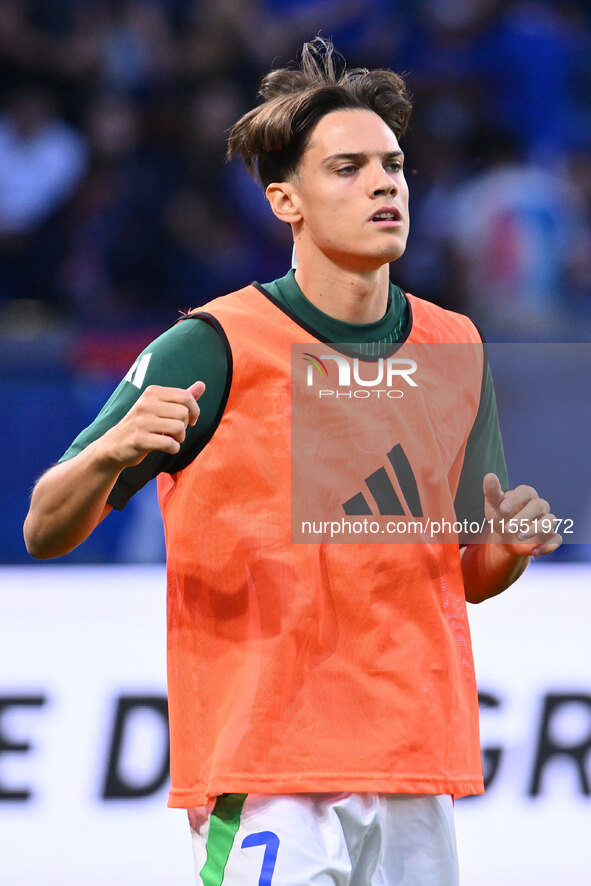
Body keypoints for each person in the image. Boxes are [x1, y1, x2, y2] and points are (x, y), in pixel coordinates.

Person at [24, 38, 561, 886]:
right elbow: (45, 527)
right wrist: (113, 452)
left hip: (414, 763)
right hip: (271, 769)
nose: (384, 184)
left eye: (393, 164)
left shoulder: (453, 345)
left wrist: (504, 550)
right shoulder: (210, 344)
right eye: (346, 167)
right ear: (286, 200)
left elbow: (460, 572)